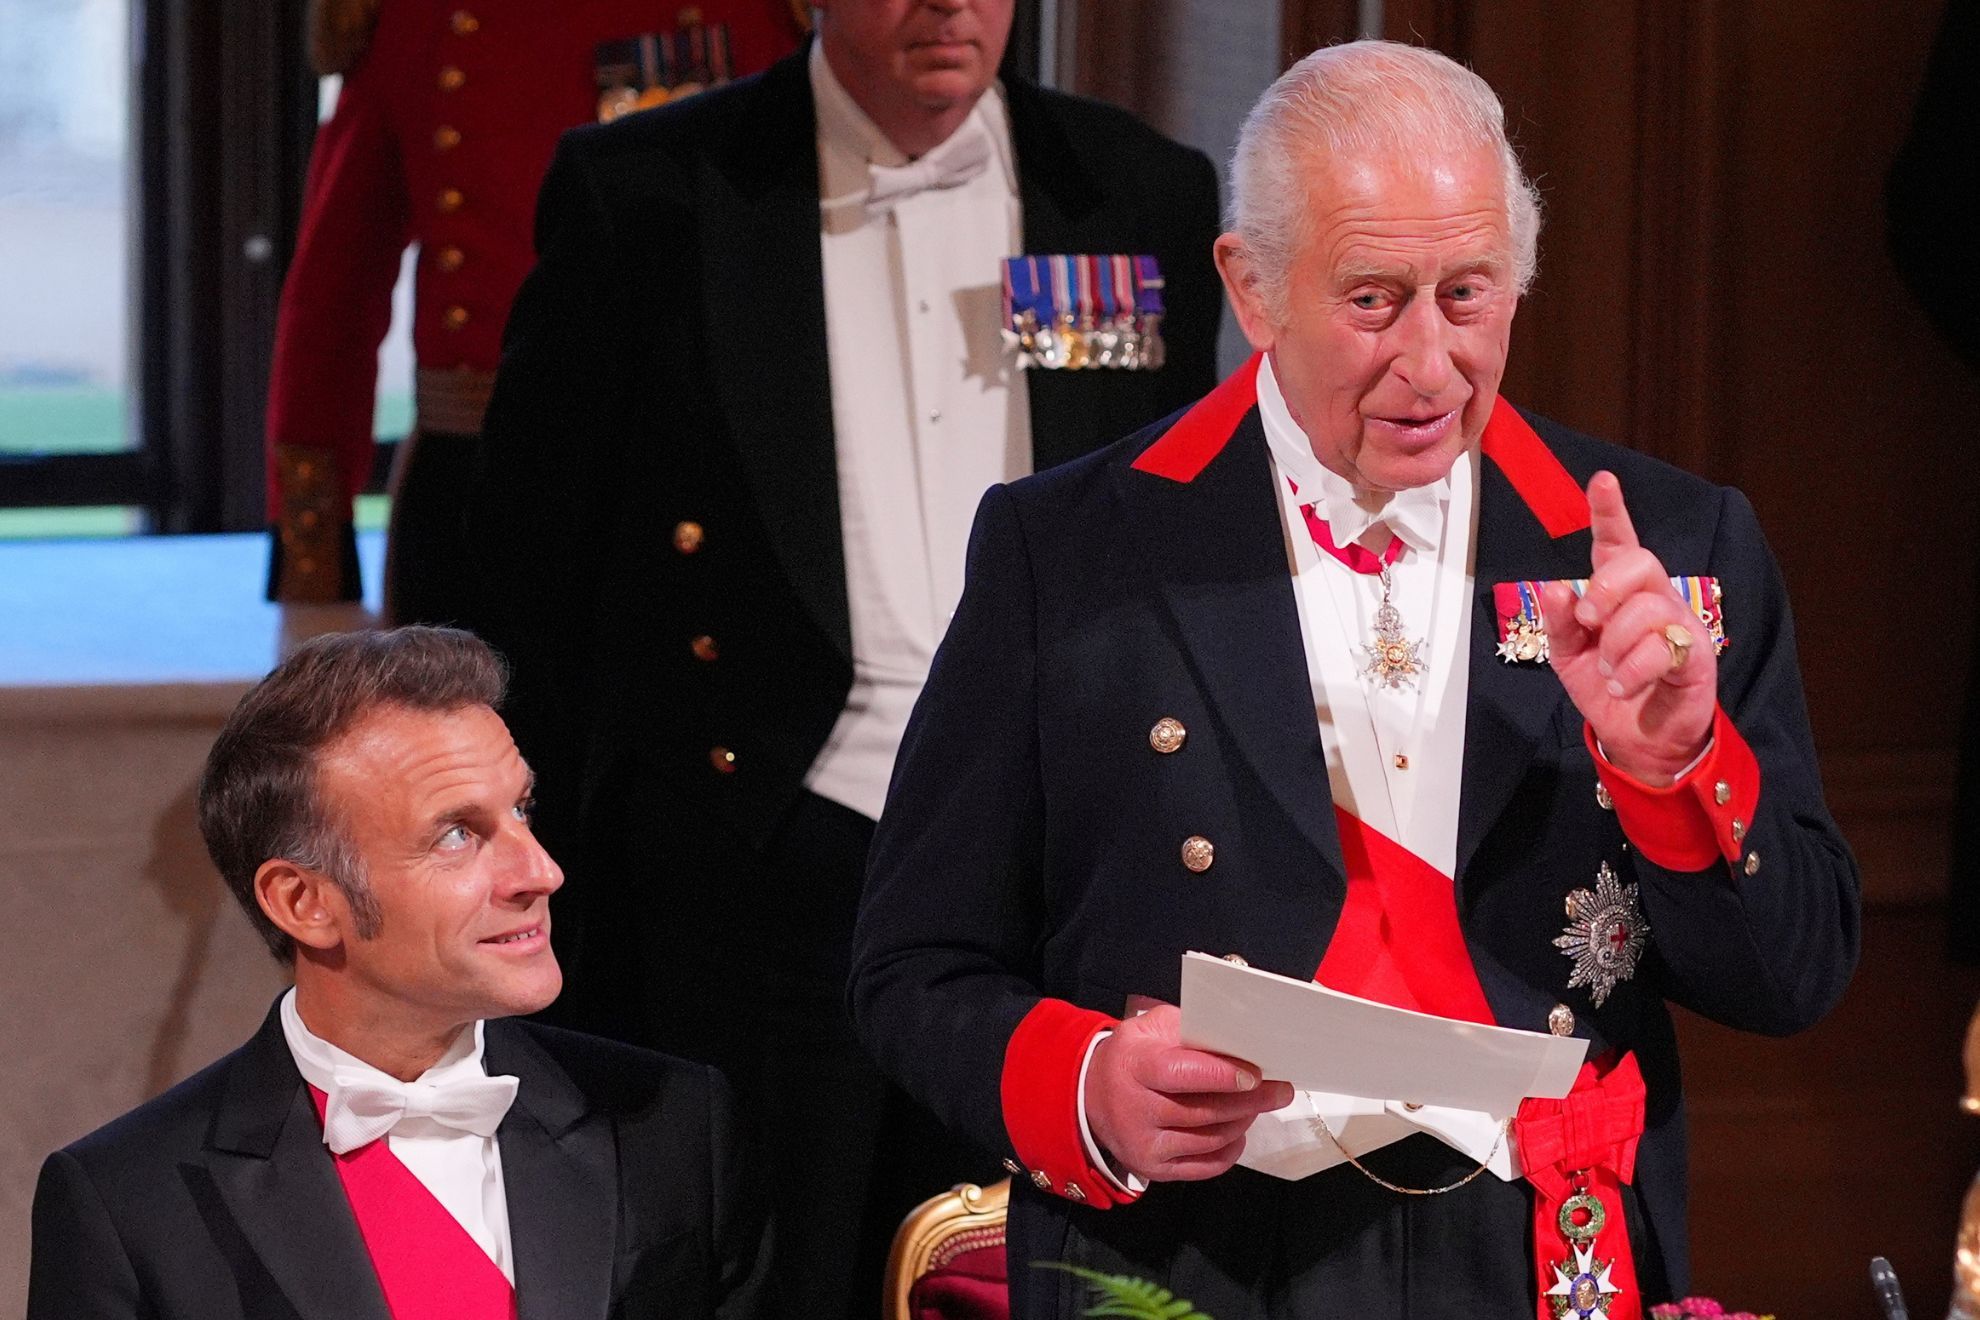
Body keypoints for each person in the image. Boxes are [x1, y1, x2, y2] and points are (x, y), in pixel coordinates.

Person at [850, 39, 1861, 1319]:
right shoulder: (1068, 551)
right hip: (1190, 1254)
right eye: (1374, 299)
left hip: (1545, 1253)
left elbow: (1793, 980)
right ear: (1253, 286)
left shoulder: (1678, 551)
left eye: (1469, 294)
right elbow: (911, 969)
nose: (1431, 365)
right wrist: (1091, 1084)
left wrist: (1675, 770)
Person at [463, 0, 1223, 1313]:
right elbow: (528, 583)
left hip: (1052, 881)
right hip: (754, 870)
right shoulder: (648, 192)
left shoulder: (1135, 190)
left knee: (1039, 1287)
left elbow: (1180, 546)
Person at [27, 628, 771, 1320]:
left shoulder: (675, 1126)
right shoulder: (127, 1207)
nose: (540, 871)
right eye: (457, 835)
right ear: (304, 901)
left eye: (523, 809)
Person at [263, 0, 805, 618]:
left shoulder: (763, 14)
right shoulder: (422, 20)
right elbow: (333, 299)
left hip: (707, 475)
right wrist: (314, 558)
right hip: (480, 486)